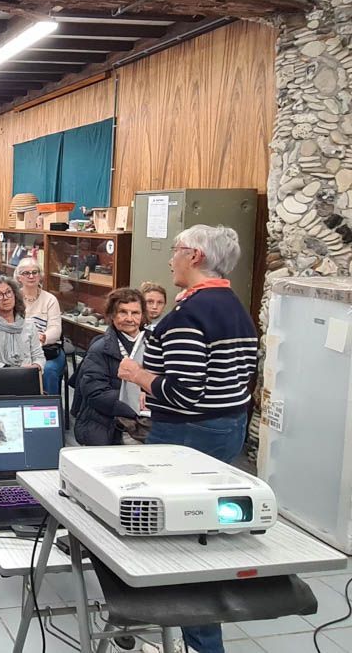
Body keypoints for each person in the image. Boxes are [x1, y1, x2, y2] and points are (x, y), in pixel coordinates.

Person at [119, 227, 258, 653]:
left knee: (177, 545)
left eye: (175, 251)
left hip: (187, 435)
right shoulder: (235, 307)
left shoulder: (189, 315)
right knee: (200, 533)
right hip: (226, 428)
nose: (170, 259)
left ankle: (199, 643)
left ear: (195, 256)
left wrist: (138, 374)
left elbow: (182, 392)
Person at [74, 288, 148, 446]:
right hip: (110, 423)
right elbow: (95, 393)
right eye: (123, 312)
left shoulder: (154, 344)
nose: (130, 318)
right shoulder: (100, 348)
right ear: (112, 315)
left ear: (142, 316)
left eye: (135, 313)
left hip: (149, 419)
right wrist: (133, 400)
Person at [0, 275, 46, 374]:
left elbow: (39, 357)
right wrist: (10, 370)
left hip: (26, 376)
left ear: (15, 295)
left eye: (8, 292)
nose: (5, 298)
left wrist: (35, 367)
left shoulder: (29, 325)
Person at [13, 257, 65, 395]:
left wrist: (40, 338)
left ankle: (49, 406)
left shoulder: (50, 300)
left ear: (40, 275)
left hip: (47, 351)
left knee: (48, 370)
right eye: (26, 273)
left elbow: (55, 330)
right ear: (19, 277)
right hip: (18, 349)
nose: (31, 276)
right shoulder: (13, 299)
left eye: (34, 272)